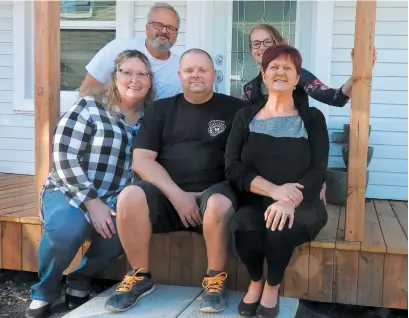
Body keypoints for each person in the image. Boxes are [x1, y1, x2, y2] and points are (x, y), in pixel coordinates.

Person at [103, 48, 248, 314]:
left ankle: (214, 281)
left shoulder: (236, 109)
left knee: (217, 203)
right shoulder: (160, 110)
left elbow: (249, 155)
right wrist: (177, 196)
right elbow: (142, 160)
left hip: (215, 192)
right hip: (168, 197)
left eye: (202, 70)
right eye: (189, 70)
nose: (196, 75)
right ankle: (139, 278)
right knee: (129, 197)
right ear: (180, 75)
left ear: (214, 75)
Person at [25, 50, 154, 318]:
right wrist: (91, 202)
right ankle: (44, 291)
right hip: (69, 190)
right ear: (114, 77)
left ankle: (80, 280)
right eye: (126, 72)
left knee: (120, 237)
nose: (134, 79)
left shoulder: (152, 120)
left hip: (116, 198)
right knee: (65, 230)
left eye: (141, 74)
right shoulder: (89, 107)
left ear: (150, 81)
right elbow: (63, 154)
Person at [225, 44, 329, 317]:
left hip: (303, 204)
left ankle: (273, 285)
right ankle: (256, 280)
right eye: (274, 67)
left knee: (279, 226)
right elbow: (232, 167)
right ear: (263, 74)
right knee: (243, 225)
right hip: (257, 199)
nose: (280, 72)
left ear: (297, 78)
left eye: (288, 68)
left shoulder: (313, 119)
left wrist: (289, 201)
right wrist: (274, 191)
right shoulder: (245, 116)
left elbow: (319, 170)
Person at [243, 24, 377, 108]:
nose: (261, 47)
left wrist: (357, 75)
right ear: (251, 50)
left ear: (278, 44)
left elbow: (335, 98)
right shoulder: (249, 89)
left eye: (267, 42)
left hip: (295, 148)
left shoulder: (297, 75)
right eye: (256, 43)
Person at [79, 2, 182, 100]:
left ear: (176, 35)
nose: (164, 31)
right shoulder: (119, 47)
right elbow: (87, 90)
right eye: (158, 25)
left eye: (170, 28)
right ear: (147, 28)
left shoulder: (181, 69)